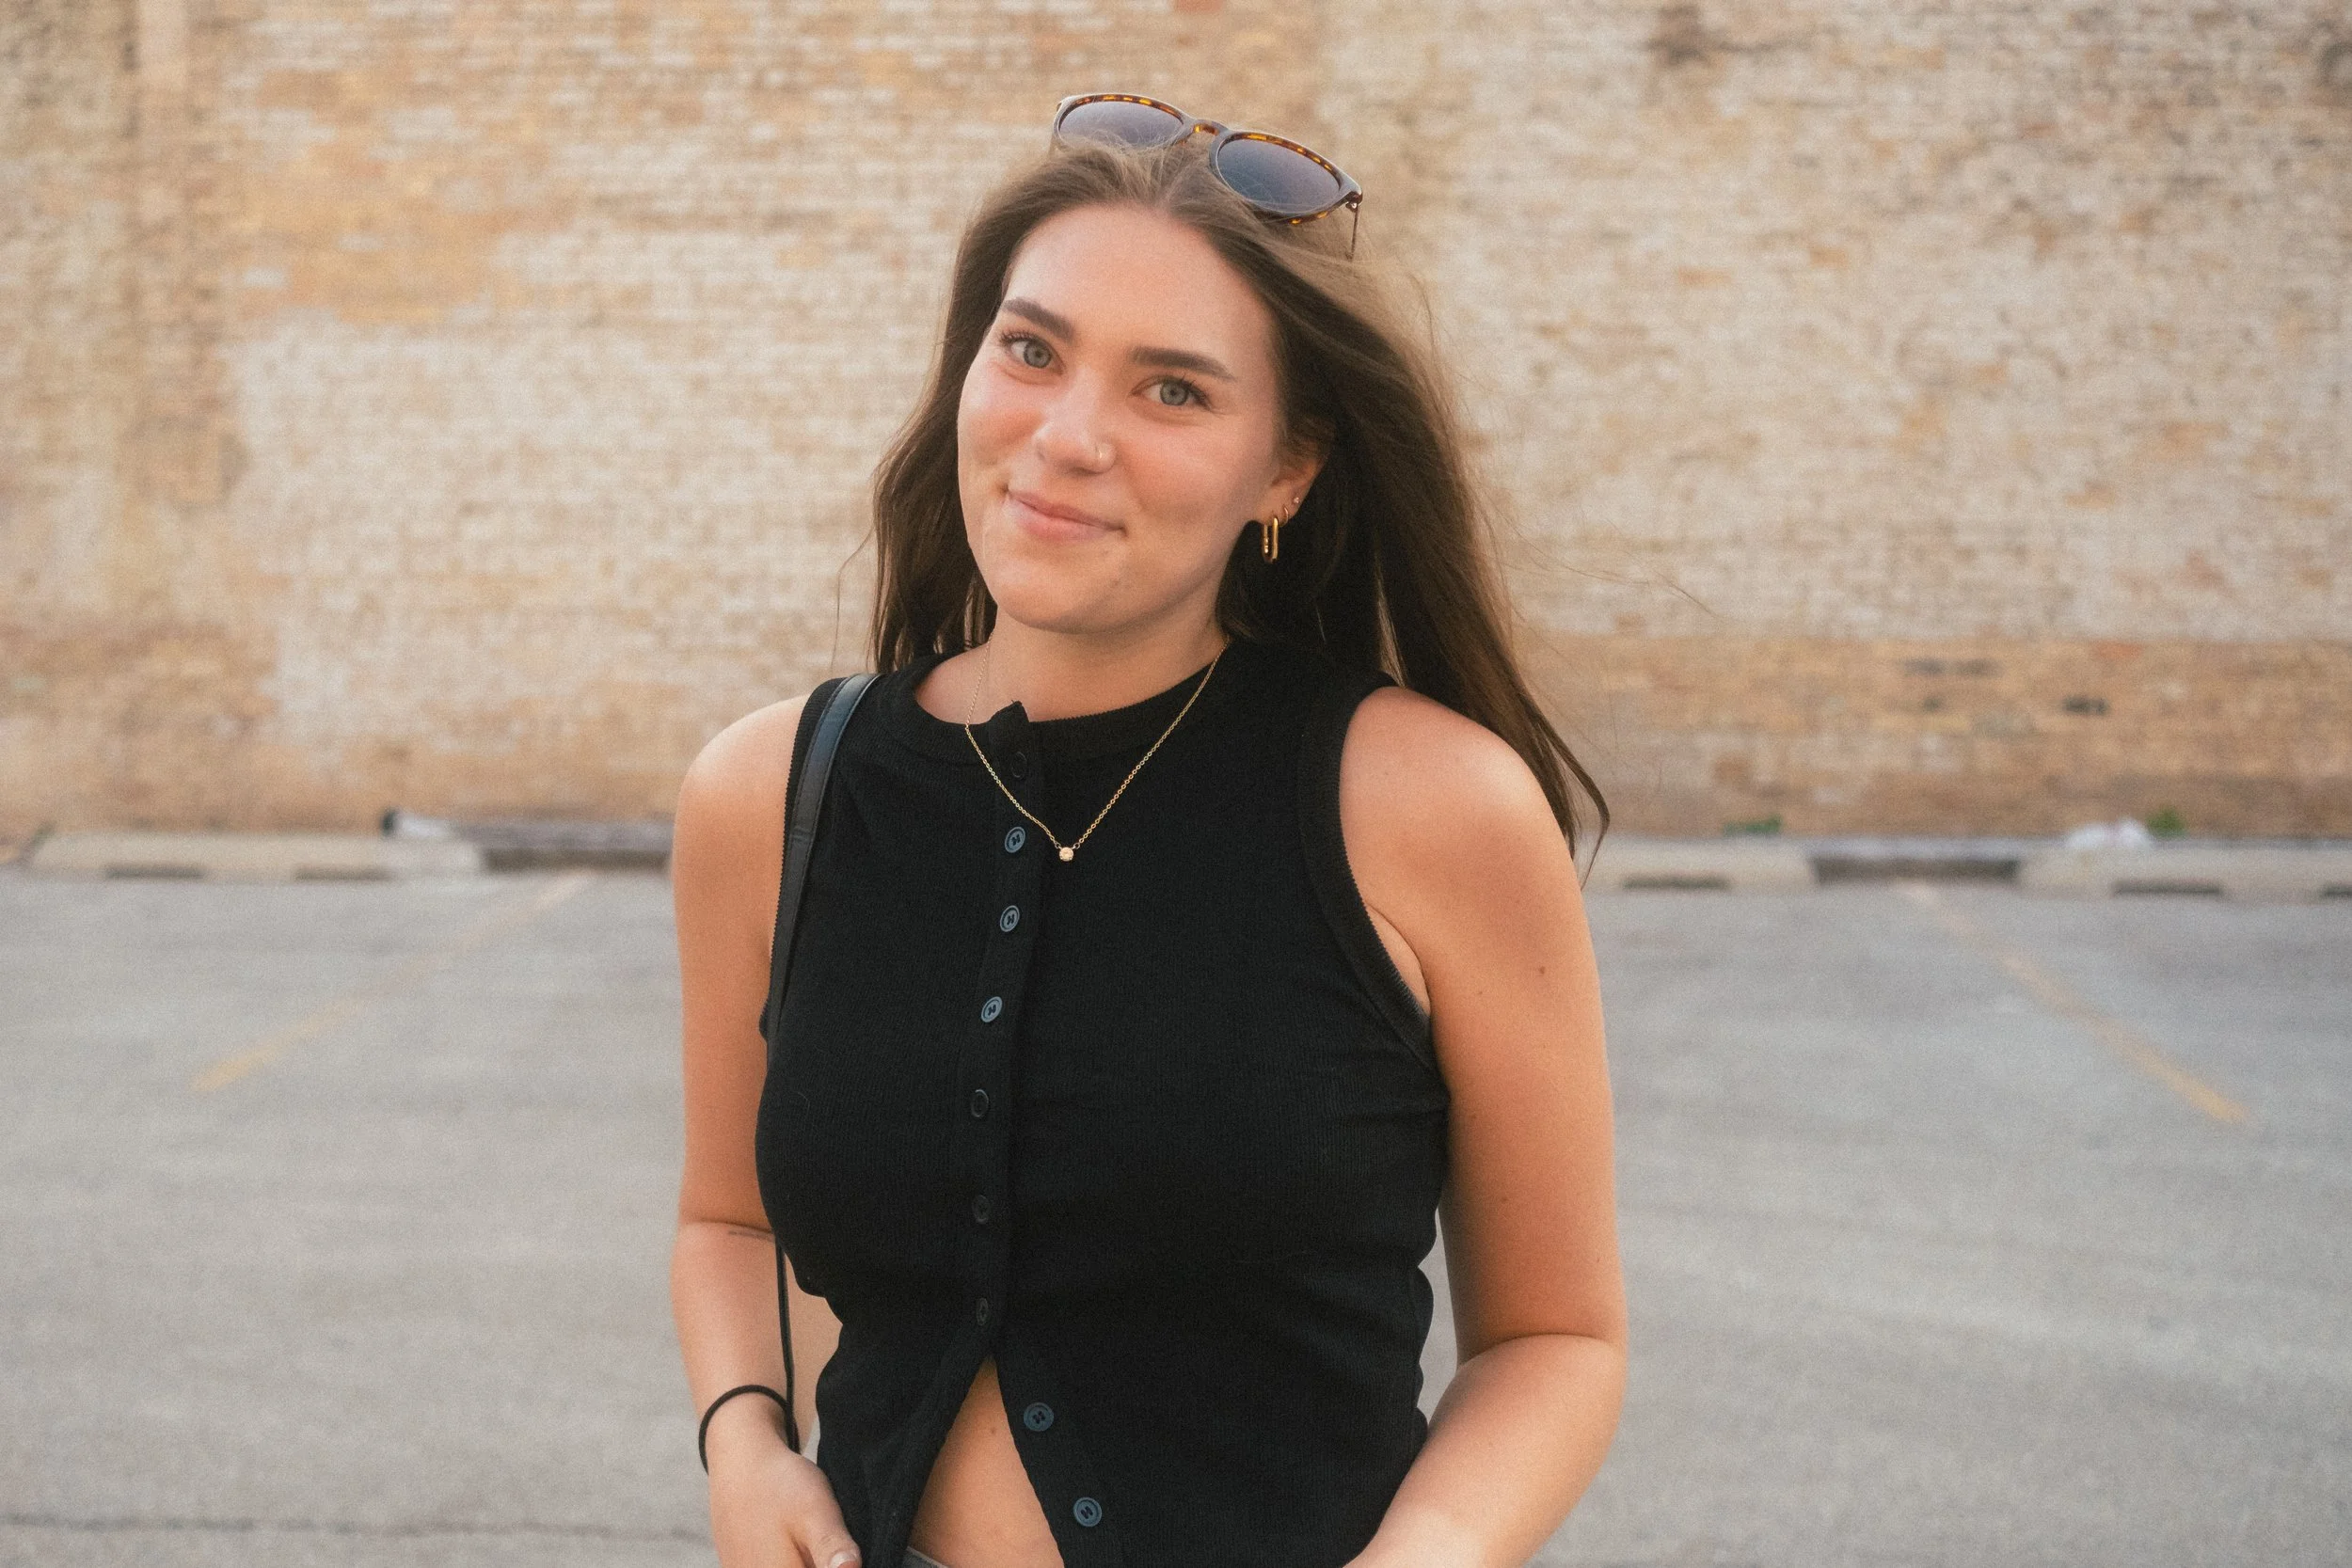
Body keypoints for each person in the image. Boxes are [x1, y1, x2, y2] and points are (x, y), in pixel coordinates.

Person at [669, 93, 1624, 1568]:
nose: (1067, 438)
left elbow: (1556, 1335)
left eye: (1171, 391)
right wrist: (744, 1441)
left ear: (1288, 471)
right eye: (1032, 349)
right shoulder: (768, 793)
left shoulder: (1431, 809)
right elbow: (729, 1218)